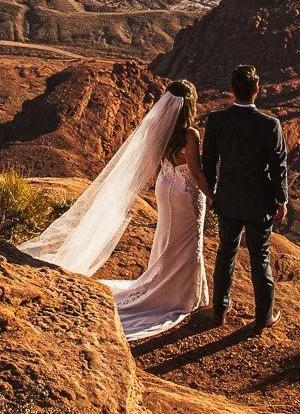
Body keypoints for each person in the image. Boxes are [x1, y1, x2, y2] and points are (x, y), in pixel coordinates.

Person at [19, 80, 211, 342]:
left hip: (165, 185)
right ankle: (182, 295)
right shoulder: (191, 134)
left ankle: (161, 281)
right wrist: (213, 196)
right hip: (185, 190)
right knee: (189, 242)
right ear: (190, 104)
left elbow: (155, 162)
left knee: (167, 236)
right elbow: (196, 172)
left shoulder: (160, 127)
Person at [200, 63, 288, 333]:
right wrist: (281, 199)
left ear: (232, 90)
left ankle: (220, 309)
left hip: (227, 200)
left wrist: (212, 194)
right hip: (259, 203)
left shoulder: (216, 121)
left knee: (226, 252)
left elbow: (208, 162)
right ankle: (263, 317)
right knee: (259, 257)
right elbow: (278, 166)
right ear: (257, 91)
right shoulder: (270, 125)